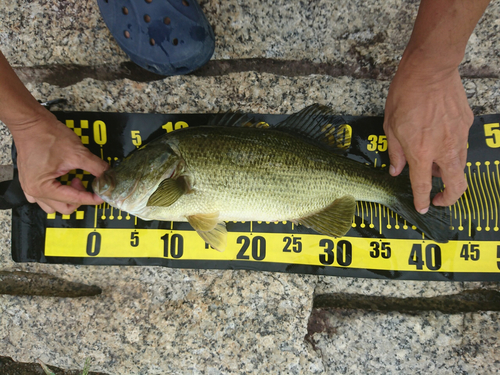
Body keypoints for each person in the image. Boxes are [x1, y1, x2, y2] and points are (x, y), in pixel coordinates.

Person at [0, 0, 492, 215]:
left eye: (125, 168)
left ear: (165, 171)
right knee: (175, 50)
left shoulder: (170, 176)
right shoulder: (168, 180)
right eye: (125, 169)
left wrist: (434, 65)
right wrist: (23, 119)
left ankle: (393, 195)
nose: (114, 174)